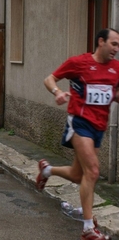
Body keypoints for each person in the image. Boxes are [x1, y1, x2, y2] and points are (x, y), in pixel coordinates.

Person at [37, 28, 119, 240]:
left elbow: (114, 93)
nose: (116, 49)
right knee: (92, 172)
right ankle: (88, 228)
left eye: (118, 45)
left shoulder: (116, 68)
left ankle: (47, 171)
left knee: (78, 175)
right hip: (80, 123)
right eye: (114, 44)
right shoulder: (79, 63)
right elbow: (50, 79)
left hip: (99, 126)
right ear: (101, 42)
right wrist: (57, 92)